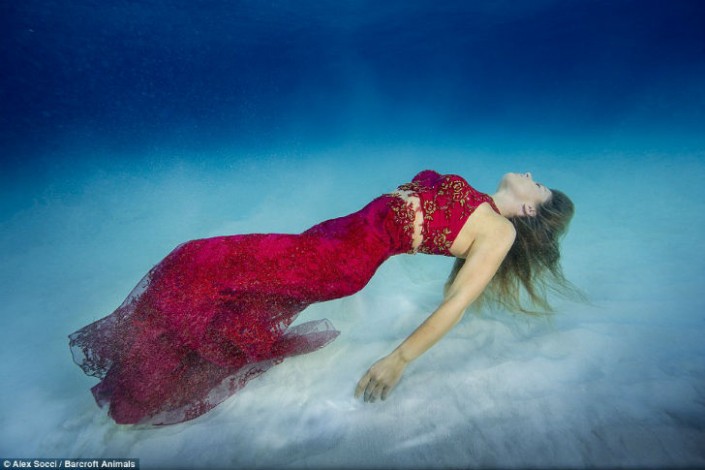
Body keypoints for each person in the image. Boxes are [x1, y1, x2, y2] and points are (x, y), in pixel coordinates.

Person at [69, 169, 576, 425]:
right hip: (329, 239)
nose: (531, 175)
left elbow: (455, 304)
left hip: (338, 260)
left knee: (195, 260)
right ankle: (143, 379)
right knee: (228, 294)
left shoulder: (499, 232)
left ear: (531, 210)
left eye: (539, 185)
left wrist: (399, 359)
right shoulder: (480, 201)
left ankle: (141, 388)